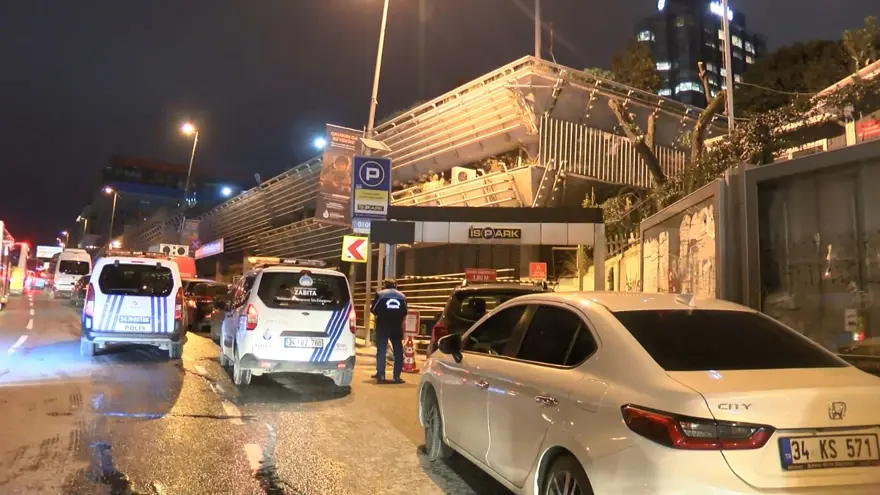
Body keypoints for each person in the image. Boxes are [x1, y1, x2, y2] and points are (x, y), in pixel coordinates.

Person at [370, 279, 407, 384]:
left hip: (383, 325)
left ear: (385, 285)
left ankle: (381, 375)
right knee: (398, 351)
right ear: (395, 285)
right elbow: (405, 311)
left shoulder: (380, 294)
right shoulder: (402, 296)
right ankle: (396, 377)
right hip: (396, 326)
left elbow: (373, 309)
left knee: (381, 350)